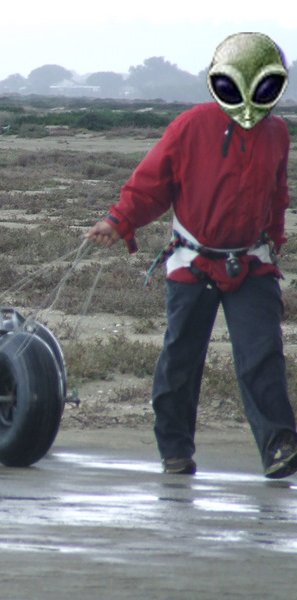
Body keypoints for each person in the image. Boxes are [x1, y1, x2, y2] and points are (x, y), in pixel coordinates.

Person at [86, 32, 297, 478]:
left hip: (252, 261)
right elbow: (151, 183)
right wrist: (118, 221)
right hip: (192, 260)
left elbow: (278, 193)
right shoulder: (189, 126)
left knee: (263, 354)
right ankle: (175, 451)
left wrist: (275, 239)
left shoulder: (277, 132)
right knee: (181, 357)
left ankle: (280, 445)